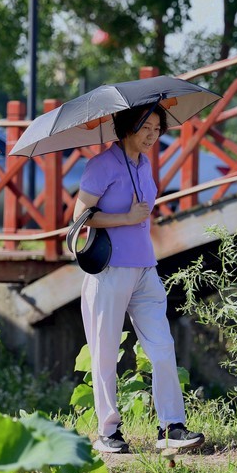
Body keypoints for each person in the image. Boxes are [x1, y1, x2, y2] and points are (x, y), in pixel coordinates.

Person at [72, 103, 204, 454]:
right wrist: (126, 218)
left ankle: (171, 427)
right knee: (104, 353)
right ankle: (108, 432)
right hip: (109, 270)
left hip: (145, 268)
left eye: (157, 129)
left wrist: (135, 220)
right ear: (127, 126)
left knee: (162, 346)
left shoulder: (144, 166)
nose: (152, 135)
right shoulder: (101, 165)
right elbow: (78, 218)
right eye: (146, 127)